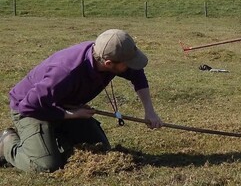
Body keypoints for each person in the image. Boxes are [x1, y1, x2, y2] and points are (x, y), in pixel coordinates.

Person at [0, 29, 163, 172]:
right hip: (33, 109)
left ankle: (50, 138)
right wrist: (70, 115)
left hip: (64, 106)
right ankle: (7, 143)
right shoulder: (65, 72)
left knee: (100, 149)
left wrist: (149, 110)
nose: (132, 66)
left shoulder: (109, 54)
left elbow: (137, 75)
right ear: (108, 63)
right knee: (47, 165)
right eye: (128, 63)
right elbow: (28, 106)